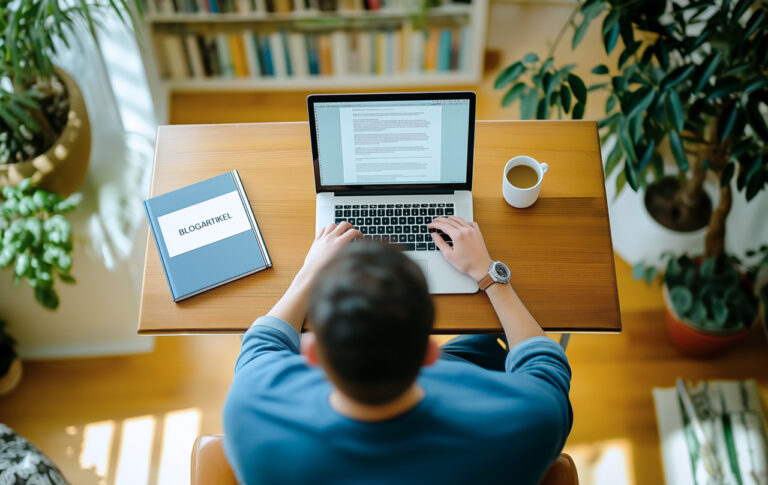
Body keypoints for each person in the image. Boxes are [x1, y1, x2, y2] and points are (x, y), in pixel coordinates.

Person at [223, 216, 572, 485]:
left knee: (479, 343)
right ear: (429, 355)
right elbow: (544, 365)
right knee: (484, 343)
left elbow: (263, 340)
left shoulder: (248, 410)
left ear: (312, 354)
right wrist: (488, 275)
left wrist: (310, 273)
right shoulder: (528, 422)